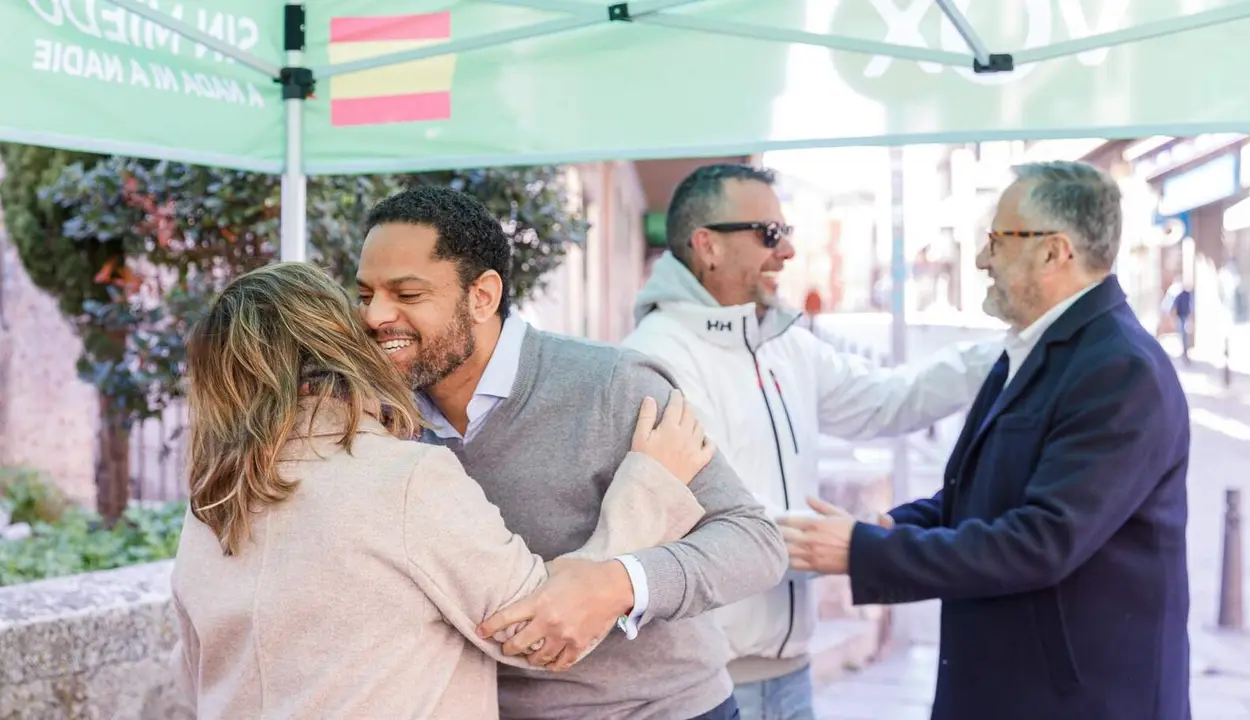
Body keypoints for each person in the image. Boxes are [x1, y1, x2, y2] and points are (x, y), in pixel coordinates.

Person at [169, 261, 718, 718]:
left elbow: (192, 683)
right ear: (342, 344)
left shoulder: (211, 505)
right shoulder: (403, 479)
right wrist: (650, 490)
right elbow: (543, 633)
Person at [356, 185, 789, 719]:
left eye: (407, 293)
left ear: (483, 296)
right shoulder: (378, 418)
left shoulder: (611, 383)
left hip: (663, 710)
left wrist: (618, 583)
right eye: (365, 294)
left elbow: (754, 541)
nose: (375, 315)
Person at [778, 161, 1192, 720]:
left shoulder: (1121, 370)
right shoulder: (1032, 348)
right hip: (1010, 686)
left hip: (1077, 701)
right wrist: (895, 528)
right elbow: (974, 499)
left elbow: (1041, 541)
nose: (980, 259)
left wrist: (865, 551)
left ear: (1054, 252)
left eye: (997, 239)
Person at [620, 163, 1001, 720]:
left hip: (792, 675)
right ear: (708, 246)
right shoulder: (657, 357)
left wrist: (1013, 349)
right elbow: (706, 518)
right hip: (708, 687)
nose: (788, 252)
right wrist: (846, 544)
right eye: (770, 234)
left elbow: (889, 400)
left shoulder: (783, 344)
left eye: (787, 232)